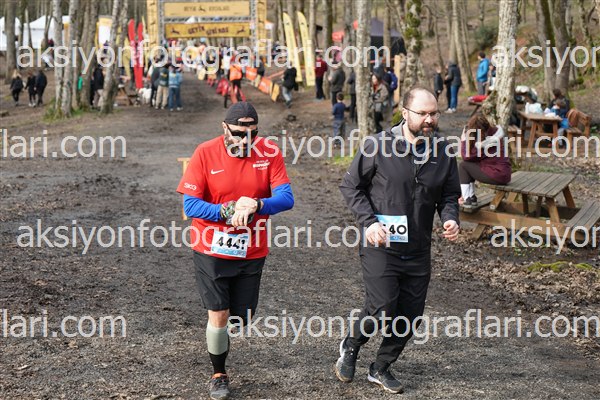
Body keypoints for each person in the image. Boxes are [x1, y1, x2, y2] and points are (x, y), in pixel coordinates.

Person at [336, 86, 460, 394]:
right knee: (382, 307)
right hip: (381, 244)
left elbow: (448, 195)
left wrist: (450, 218)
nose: (429, 119)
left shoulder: (443, 153)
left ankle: (381, 366)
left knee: (410, 316)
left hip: (418, 248)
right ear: (404, 113)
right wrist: (369, 223)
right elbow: (351, 186)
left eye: (434, 113)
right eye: (423, 113)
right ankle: (352, 344)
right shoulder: (377, 145)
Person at [176, 102, 294, 400]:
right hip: (210, 248)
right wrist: (226, 210)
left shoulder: (269, 152)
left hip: (252, 249)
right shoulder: (205, 152)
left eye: (253, 133)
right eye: (239, 133)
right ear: (224, 128)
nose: (246, 140)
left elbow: (286, 197)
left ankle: (227, 329)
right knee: (218, 312)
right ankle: (218, 374)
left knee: (241, 317)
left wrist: (257, 204)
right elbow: (191, 205)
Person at [459, 114, 512, 207]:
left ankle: (467, 199)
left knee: (463, 166)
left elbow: (466, 156)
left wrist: (463, 140)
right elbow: (473, 158)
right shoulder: (495, 133)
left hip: (497, 174)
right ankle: (471, 197)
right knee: (470, 164)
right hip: (504, 174)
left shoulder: (485, 143)